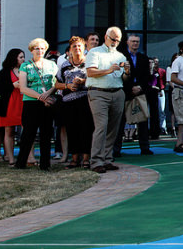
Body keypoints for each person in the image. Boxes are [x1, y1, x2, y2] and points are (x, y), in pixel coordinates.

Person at [85, 27, 132, 173]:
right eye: (113, 39)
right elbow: (90, 72)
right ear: (106, 37)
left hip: (117, 92)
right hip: (98, 92)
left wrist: (127, 71)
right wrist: (108, 70)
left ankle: (107, 158)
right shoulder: (95, 52)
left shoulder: (120, 56)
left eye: (118, 40)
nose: (115, 42)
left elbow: (124, 78)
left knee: (113, 128)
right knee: (101, 126)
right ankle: (96, 161)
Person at [15, 38, 59, 170]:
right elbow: (23, 87)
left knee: (46, 133)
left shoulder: (52, 65)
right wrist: (40, 96)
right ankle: (21, 163)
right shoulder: (25, 66)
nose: (40, 51)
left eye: (42, 48)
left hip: (48, 103)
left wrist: (48, 94)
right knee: (28, 133)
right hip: (31, 103)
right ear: (32, 50)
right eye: (37, 48)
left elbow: (56, 83)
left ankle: (45, 164)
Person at [56, 36, 93, 168]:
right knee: (72, 130)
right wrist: (67, 86)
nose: (77, 49)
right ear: (70, 49)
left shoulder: (90, 63)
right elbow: (56, 83)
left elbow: (95, 80)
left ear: (84, 48)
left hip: (85, 100)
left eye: (79, 46)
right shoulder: (64, 65)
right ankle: (74, 158)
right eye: (74, 47)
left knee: (86, 129)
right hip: (68, 102)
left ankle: (86, 158)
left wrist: (83, 81)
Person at [114, 34, 153, 156]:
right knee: (120, 122)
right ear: (127, 42)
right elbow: (118, 75)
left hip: (140, 92)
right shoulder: (121, 57)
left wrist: (140, 87)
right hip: (125, 92)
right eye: (133, 41)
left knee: (142, 120)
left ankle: (145, 147)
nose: (135, 43)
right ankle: (116, 149)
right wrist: (130, 88)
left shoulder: (143, 58)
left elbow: (147, 76)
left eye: (137, 41)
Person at [0, 49, 25, 164]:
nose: (23, 59)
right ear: (14, 58)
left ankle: (26, 157)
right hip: (9, 104)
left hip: (23, 103)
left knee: (26, 130)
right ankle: (11, 158)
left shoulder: (26, 70)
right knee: (9, 131)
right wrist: (12, 85)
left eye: (23, 57)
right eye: (20, 57)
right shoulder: (4, 72)